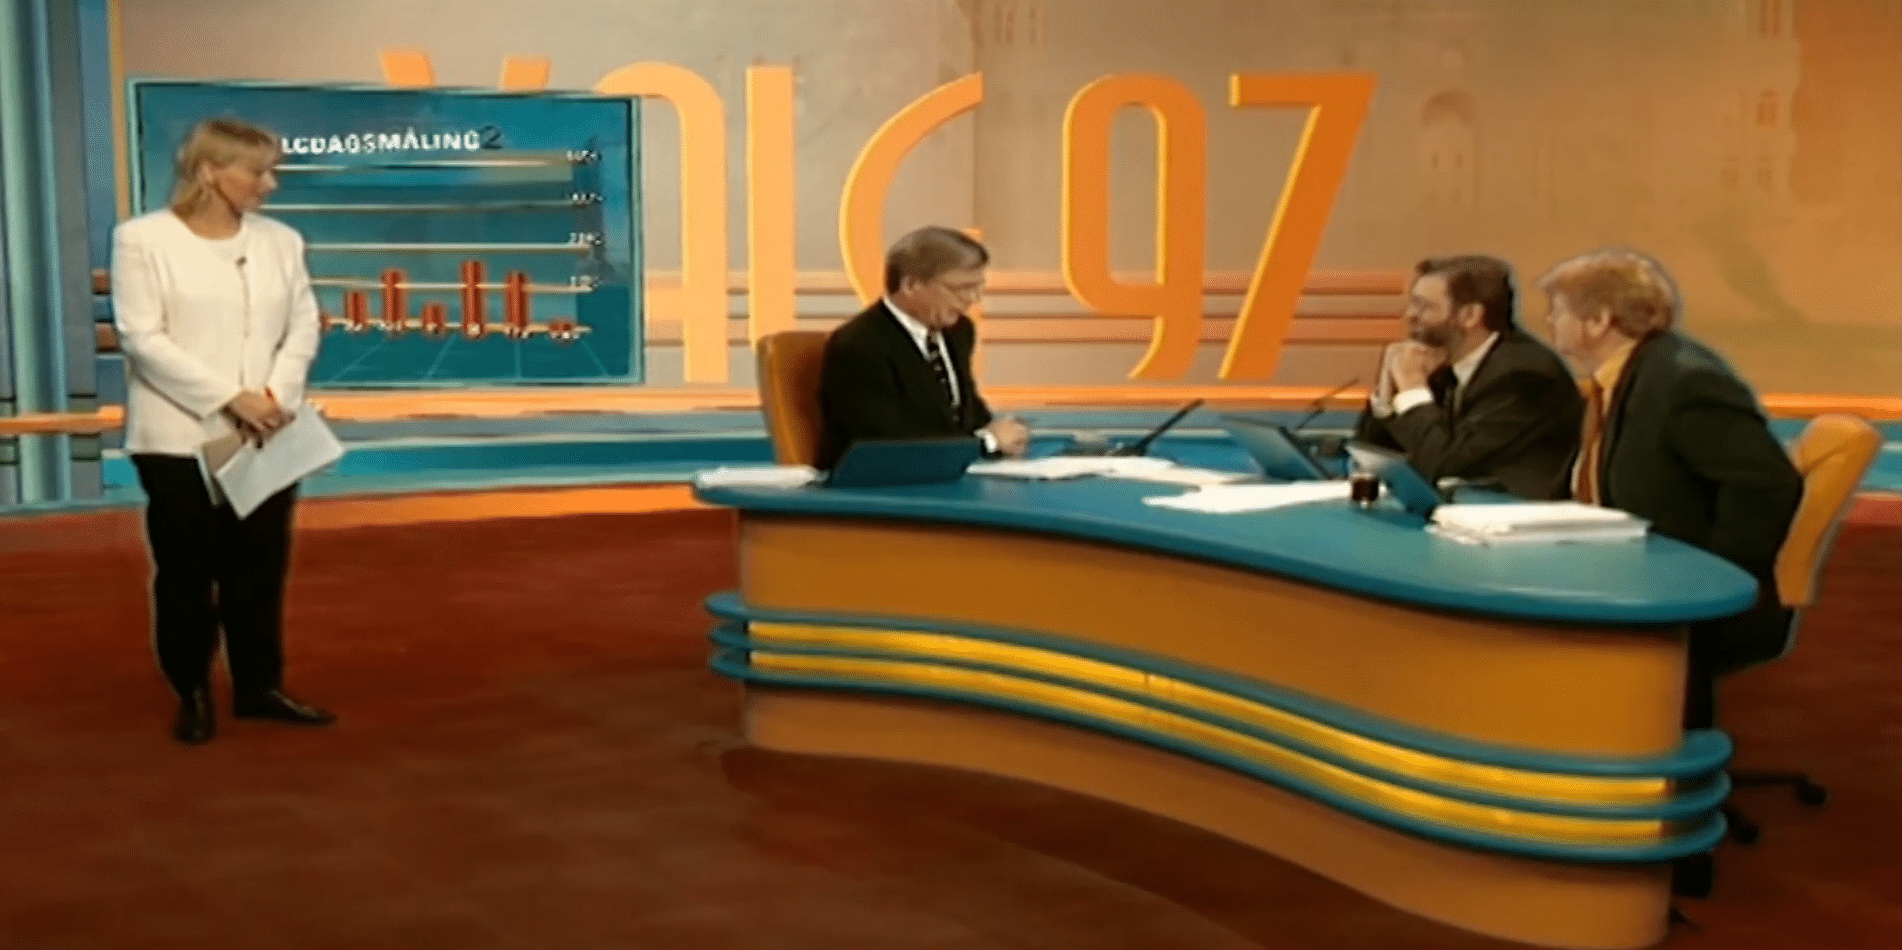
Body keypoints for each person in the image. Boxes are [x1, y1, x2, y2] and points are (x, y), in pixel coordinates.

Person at [1538, 247, 1803, 900]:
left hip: (1692, 601)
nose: (1551, 325)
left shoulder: (1683, 382)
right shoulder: (1625, 379)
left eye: (1558, 312)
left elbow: (1766, 484)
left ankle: (1671, 845)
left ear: (1599, 320)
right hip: (1631, 570)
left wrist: (1711, 584)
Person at [111, 117, 335, 745]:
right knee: (187, 570)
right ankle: (193, 690)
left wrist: (274, 396)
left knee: (260, 567)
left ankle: (260, 687)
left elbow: (303, 325)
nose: (271, 184)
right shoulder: (142, 240)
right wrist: (229, 398)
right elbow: (141, 337)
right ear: (210, 171)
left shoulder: (281, 241)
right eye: (258, 171)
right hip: (177, 436)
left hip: (267, 430)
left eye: (272, 171)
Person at [1353, 255, 1583, 499]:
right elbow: (1375, 456)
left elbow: (1444, 464)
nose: (1410, 315)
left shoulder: (1523, 375)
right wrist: (1388, 392)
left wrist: (1412, 388)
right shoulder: (1440, 366)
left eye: (1424, 306)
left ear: (1470, 315)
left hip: (1518, 512)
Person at [816, 226, 1030, 470]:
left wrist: (1005, 433)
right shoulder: (860, 345)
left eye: (978, 287)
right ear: (911, 286)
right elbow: (887, 443)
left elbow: (964, 415)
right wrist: (985, 442)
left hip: (946, 477)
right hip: (882, 484)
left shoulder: (958, 332)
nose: (973, 298)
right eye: (962, 288)